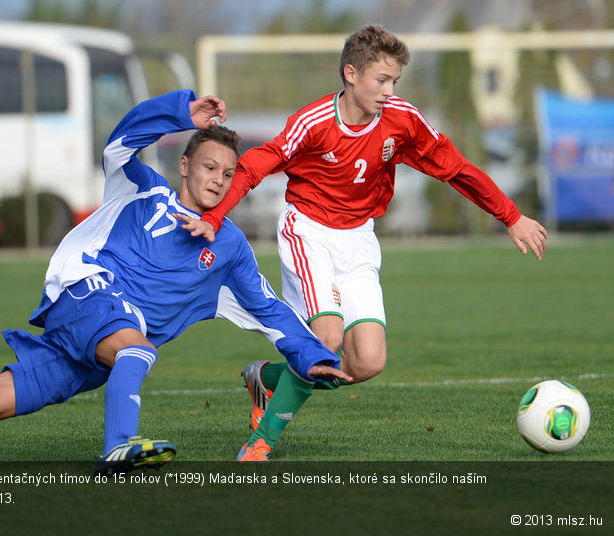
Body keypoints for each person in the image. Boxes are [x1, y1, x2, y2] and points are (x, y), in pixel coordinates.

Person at [0, 90, 351, 475]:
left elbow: (271, 311)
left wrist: (312, 357)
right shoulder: (140, 189)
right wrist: (181, 109)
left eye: (229, 175)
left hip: (94, 351)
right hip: (85, 298)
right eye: (209, 167)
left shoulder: (228, 246)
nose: (218, 180)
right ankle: (117, 448)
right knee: (136, 343)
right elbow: (120, 141)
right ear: (185, 166)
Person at [181, 24, 549, 462]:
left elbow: (454, 167)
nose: (389, 90)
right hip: (309, 232)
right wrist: (215, 217)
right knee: (326, 340)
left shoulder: (402, 120)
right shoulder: (313, 123)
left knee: (367, 363)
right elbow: (256, 164)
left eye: (394, 81)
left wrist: (511, 215)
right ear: (351, 74)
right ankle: (261, 444)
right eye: (381, 80)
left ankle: (270, 378)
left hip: (359, 239)